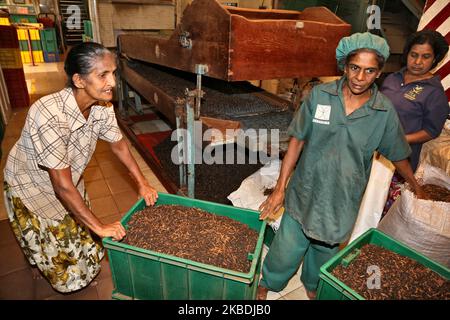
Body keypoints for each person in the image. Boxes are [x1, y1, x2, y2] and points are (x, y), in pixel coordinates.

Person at [256, 32, 427, 300]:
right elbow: (297, 140)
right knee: (286, 248)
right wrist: (280, 188)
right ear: (344, 66)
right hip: (305, 190)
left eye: (370, 71)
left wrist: (414, 184)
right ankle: (267, 283)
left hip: (342, 199)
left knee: (325, 252)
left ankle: (313, 286)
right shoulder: (320, 96)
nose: (360, 77)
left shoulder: (382, 112)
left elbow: (397, 154)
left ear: (379, 73)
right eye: (355, 68)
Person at [3, 42, 158, 293]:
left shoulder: (102, 107)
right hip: (33, 185)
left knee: (81, 232)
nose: (113, 82)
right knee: (56, 246)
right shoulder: (50, 115)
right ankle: (46, 266)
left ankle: (81, 264)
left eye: (114, 73)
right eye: (103, 75)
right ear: (79, 80)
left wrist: (142, 182)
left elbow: (119, 146)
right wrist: (99, 226)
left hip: (68, 179)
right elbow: (60, 186)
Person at [380, 29, 449, 216]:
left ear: (435, 59)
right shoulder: (393, 78)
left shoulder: (434, 93)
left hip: (401, 159)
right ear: (407, 54)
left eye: (426, 57)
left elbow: (431, 131)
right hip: (374, 152)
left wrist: (401, 139)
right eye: (414, 55)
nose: (418, 62)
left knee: (381, 208)